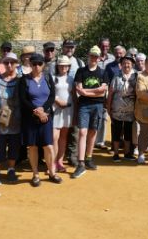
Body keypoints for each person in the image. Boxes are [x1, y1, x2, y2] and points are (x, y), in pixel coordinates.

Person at [18, 53, 62, 187]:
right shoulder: (24, 80)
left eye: (39, 64)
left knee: (48, 145)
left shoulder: (48, 77)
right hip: (30, 117)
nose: (36, 66)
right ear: (30, 65)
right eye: (34, 64)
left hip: (46, 116)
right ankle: (35, 174)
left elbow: (52, 96)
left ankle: (52, 172)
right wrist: (36, 111)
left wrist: (43, 109)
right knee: (32, 146)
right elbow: (23, 99)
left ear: (43, 65)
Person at [71, 46, 108, 178]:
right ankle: (81, 163)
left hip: (98, 105)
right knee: (82, 132)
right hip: (84, 105)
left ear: (99, 58)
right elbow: (79, 89)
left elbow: (103, 91)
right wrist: (95, 91)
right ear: (88, 55)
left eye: (96, 56)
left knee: (93, 132)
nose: (94, 58)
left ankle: (89, 158)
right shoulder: (81, 71)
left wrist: (86, 92)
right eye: (92, 55)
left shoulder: (103, 72)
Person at [0, 52, 21, 186]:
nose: (9, 65)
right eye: (6, 62)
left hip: (17, 121)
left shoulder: (21, 80)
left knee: (14, 148)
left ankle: (11, 169)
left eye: (12, 62)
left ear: (16, 64)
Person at [108, 55, 137, 162]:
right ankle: (116, 153)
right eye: (124, 63)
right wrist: (109, 107)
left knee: (128, 132)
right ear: (121, 65)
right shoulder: (116, 76)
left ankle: (127, 153)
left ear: (132, 65)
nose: (126, 65)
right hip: (117, 109)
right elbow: (110, 93)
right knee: (117, 131)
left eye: (128, 63)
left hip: (131, 110)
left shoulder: (136, 76)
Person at [52, 55, 74, 173]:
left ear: (69, 67)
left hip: (68, 110)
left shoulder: (71, 79)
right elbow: (50, 93)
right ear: (58, 66)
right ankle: (52, 163)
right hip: (55, 110)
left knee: (63, 137)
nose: (63, 67)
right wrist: (57, 101)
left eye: (65, 65)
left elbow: (73, 95)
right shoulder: (53, 78)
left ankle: (59, 162)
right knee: (54, 137)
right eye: (61, 65)